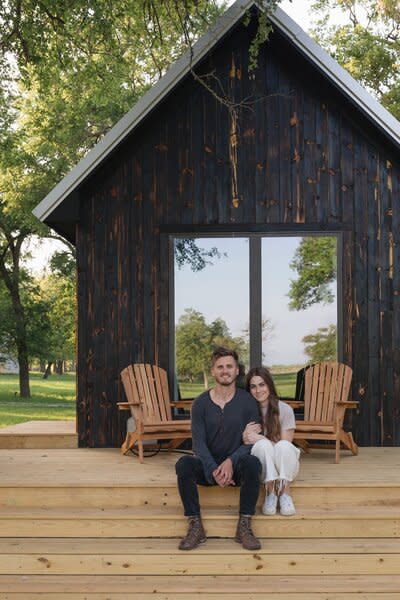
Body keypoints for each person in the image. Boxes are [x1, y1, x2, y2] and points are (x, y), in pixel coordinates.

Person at [175, 347, 262, 551]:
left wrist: (231, 461)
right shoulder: (200, 404)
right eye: (220, 366)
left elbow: (251, 442)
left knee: (253, 463)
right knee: (184, 464)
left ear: (236, 371)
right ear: (213, 371)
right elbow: (198, 443)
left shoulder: (248, 402)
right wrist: (214, 469)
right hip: (208, 468)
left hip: (237, 468)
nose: (225, 370)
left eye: (229, 366)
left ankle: (244, 526)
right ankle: (195, 525)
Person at [243, 366, 300, 517]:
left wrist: (261, 438)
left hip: (286, 467)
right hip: (263, 468)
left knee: (282, 445)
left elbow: (285, 447)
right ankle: (270, 492)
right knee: (261, 446)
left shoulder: (285, 409)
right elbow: (244, 448)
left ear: (269, 385)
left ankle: (284, 492)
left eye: (262, 384)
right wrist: (244, 437)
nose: (258, 390)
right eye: (253, 386)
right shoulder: (246, 411)